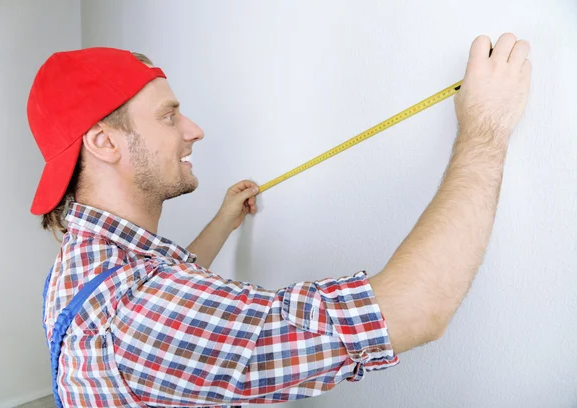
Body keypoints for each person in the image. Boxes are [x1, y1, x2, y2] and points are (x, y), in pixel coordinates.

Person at [31, 32, 531, 407]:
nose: (194, 130)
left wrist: (224, 222)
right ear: (103, 142)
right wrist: (486, 129)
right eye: (168, 116)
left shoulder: (86, 261)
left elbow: (170, 275)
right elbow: (416, 309)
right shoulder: (137, 314)